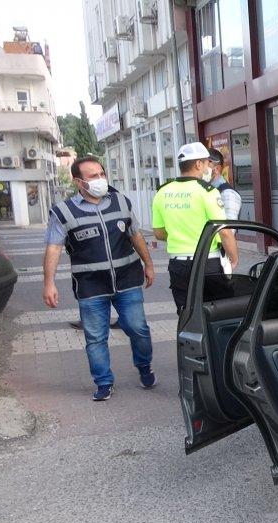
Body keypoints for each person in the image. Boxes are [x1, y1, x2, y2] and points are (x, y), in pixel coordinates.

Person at [43, 156, 156, 401]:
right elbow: (53, 247)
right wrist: (49, 283)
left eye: (102, 174)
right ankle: (104, 382)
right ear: (78, 182)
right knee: (95, 337)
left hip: (127, 280)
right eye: (93, 176)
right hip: (90, 285)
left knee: (137, 328)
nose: (100, 179)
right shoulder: (63, 212)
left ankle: (144, 366)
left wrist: (148, 264)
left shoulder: (121, 202)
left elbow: (136, 235)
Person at [151, 143, 238, 315]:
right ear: (198, 164)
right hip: (208, 263)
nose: (208, 168)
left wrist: (181, 232)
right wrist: (234, 259)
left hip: (178, 265)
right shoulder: (208, 192)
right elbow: (224, 231)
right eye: (207, 163)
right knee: (219, 313)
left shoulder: (162, 192)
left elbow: (159, 233)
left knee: (186, 314)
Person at [207, 147, 242, 220]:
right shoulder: (206, 190)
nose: (200, 169)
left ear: (217, 169)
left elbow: (229, 225)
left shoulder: (228, 194)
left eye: (205, 165)